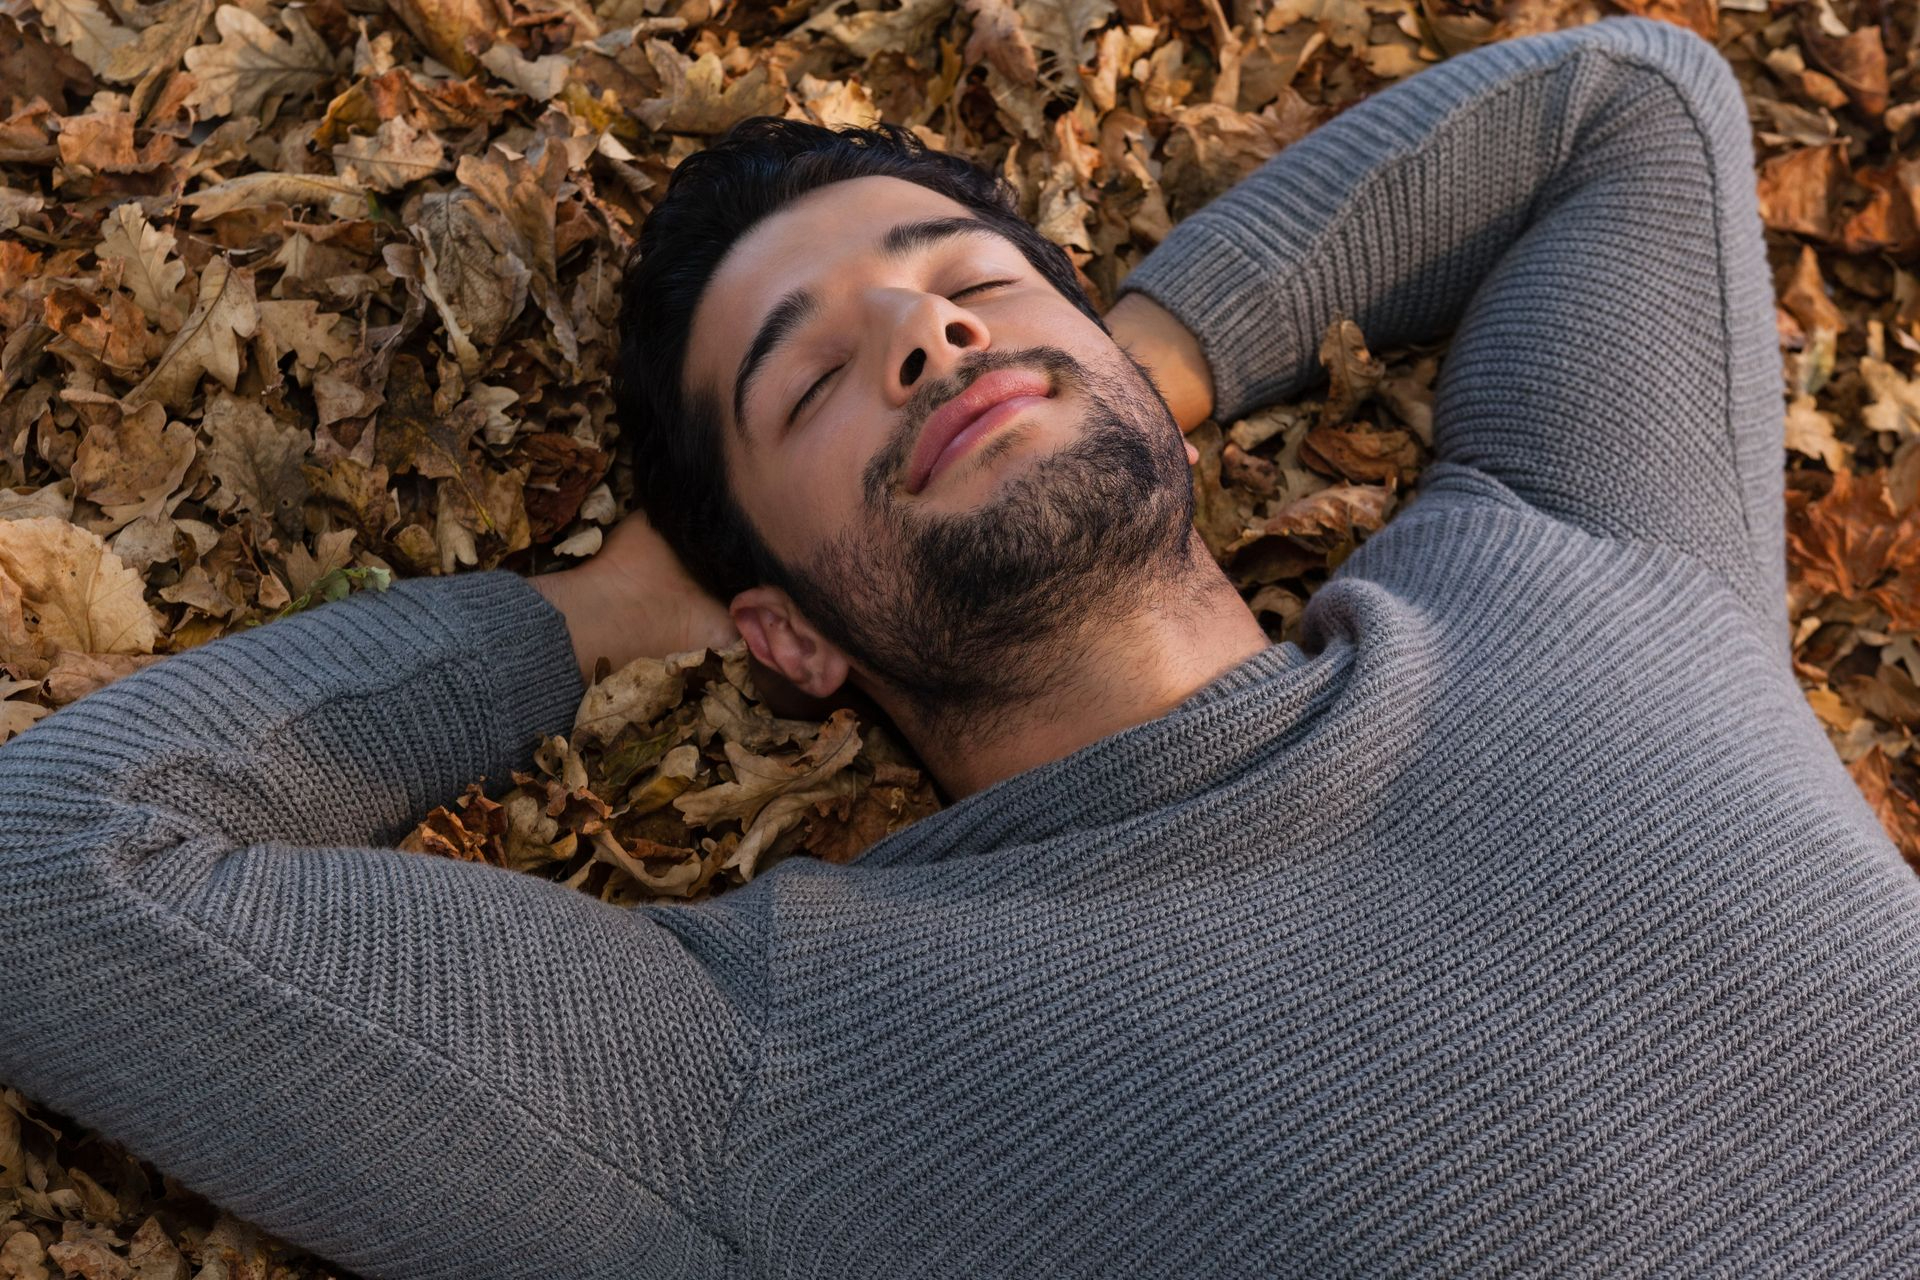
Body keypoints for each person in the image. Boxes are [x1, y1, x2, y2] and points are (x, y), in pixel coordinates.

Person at [2, 14, 1915, 1277]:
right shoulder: (770, 1069)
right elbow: (60, 876)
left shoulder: (1594, 563)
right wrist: (593, 617)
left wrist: (1157, 358)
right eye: (814, 378)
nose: (926, 342)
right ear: (786, 635)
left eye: (973, 290)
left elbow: (1628, 101)